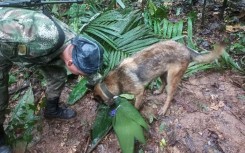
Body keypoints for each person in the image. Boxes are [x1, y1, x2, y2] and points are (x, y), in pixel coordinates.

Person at [0, 7, 104, 152]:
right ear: (70, 63)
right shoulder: (39, 36)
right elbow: (4, 27)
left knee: (57, 77)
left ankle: (51, 110)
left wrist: (103, 88)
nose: (82, 75)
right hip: (4, 46)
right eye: (82, 73)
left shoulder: (78, 45)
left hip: (40, 54)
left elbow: (90, 70)